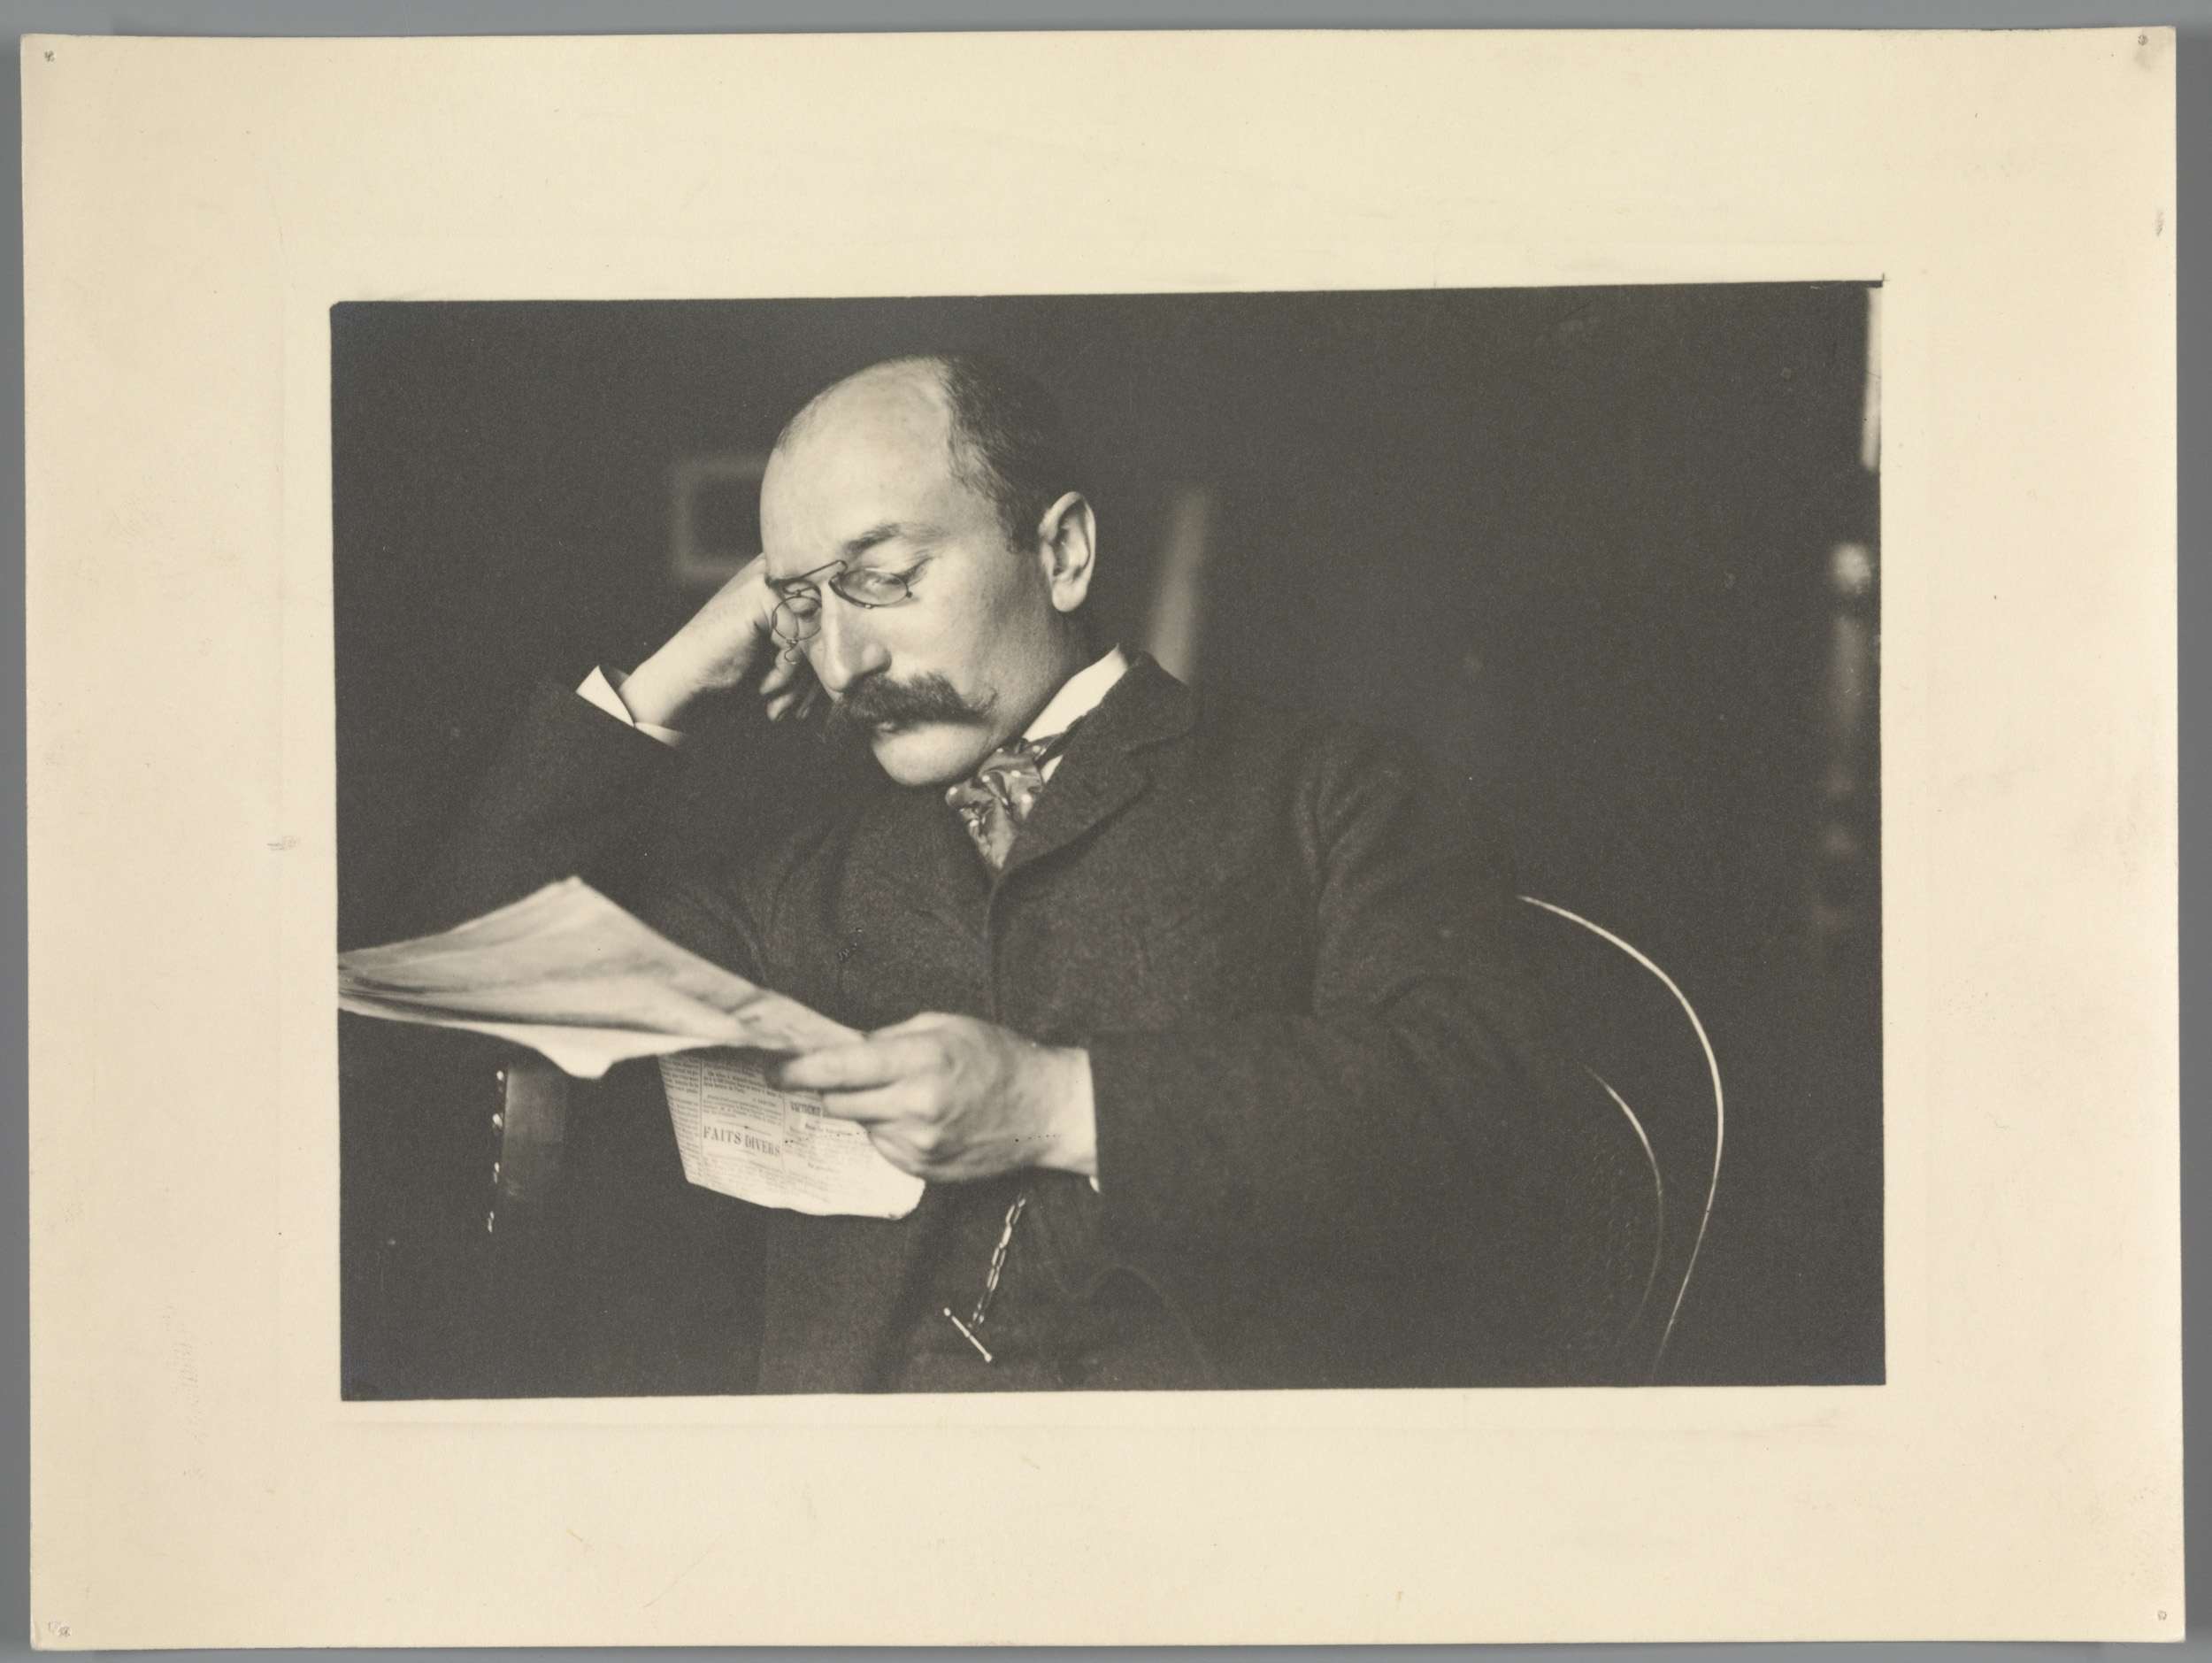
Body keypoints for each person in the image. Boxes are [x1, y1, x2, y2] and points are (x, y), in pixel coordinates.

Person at [417, 350, 1624, 1392]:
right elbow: (478, 979)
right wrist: (676, 671)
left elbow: (1483, 1102)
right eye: (803, 604)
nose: (843, 659)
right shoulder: (810, 874)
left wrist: (1056, 1104)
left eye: (882, 577)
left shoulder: (1332, 791)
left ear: (1063, 552)